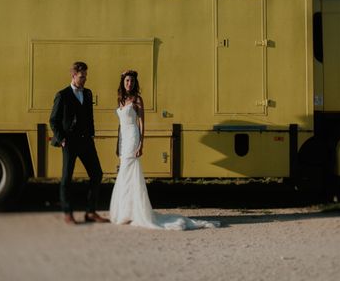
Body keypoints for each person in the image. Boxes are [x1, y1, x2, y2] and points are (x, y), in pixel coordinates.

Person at [109, 70, 219, 230]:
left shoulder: (137, 99)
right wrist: (117, 143)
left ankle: (133, 212)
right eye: (127, 81)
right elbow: (120, 125)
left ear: (135, 83)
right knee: (124, 175)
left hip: (133, 137)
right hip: (123, 139)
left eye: (132, 81)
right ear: (123, 82)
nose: (129, 84)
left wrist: (141, 144)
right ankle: (127, 210)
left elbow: (141, 123)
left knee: (129, 172)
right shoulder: (121, 99)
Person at [49, 61, 109, 225]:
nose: (84, 80)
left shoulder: (88, 93)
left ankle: (90, 211)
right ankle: (68, 212)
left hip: (86, 141)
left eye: (86, 77)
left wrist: (91, 134)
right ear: (73, 75)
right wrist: (62, 139)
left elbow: (89, 117)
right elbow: (53, 120)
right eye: (82, 77)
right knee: (67, 178)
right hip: (69, 142)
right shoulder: (62, 95)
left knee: (97, 174)